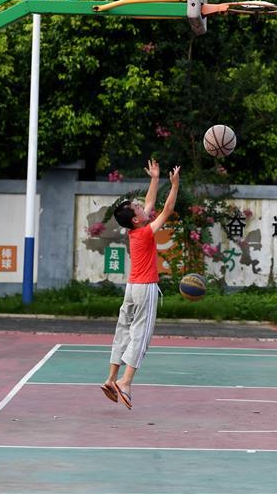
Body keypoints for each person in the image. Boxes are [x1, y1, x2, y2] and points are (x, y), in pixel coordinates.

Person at [101, 160, 180, 409]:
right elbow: (167, 209)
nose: (143, 207)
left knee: (123, 329)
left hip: (132, 287)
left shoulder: (134, 230)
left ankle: (111, 378)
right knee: (140, 335)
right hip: (145, 288)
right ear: (136, 219)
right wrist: (174, 185)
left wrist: (155, 178)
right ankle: (125, 382)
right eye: (138, 207)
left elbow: (150, 203)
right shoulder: (145, 232)